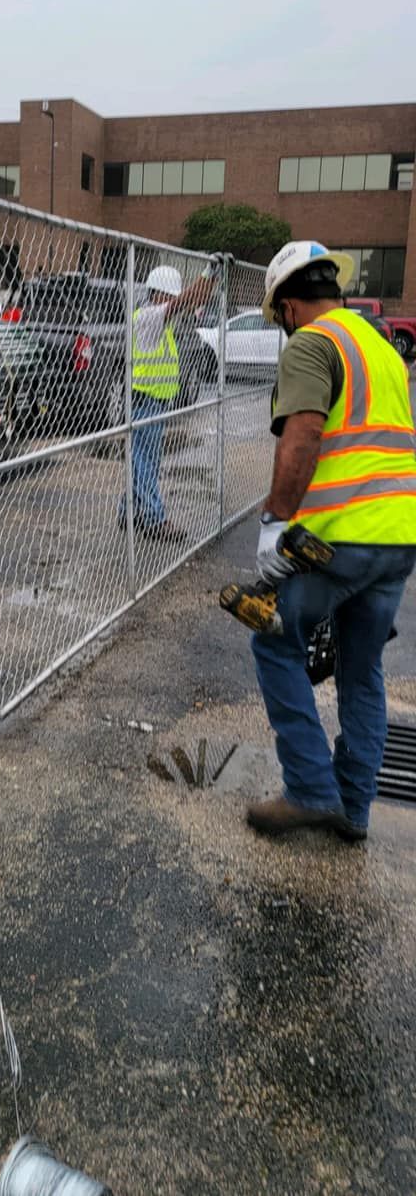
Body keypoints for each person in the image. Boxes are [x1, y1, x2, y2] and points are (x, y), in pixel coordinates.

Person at [247, 240, 416, 841]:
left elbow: (303, 436)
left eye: (278, 320)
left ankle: (310, 791)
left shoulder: (314, 344)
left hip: (337, 537)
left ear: (289, 307)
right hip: (399, 536)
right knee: (361, 667)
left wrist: (274, 523)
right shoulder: (382, 347)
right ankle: (353, 805)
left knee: (274, 644)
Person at [118, 261, 219, 542]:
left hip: (156, 402)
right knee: (146, 462)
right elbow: (184, 301)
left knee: (142, 461)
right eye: (171, 295)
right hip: (144, 401)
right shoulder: (148, 317)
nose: (175, 300)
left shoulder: (162, 317)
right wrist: (206, 273)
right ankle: (153, 519)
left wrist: (214, 277)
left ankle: (128, 511)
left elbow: (194, 300)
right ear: (159, 294)